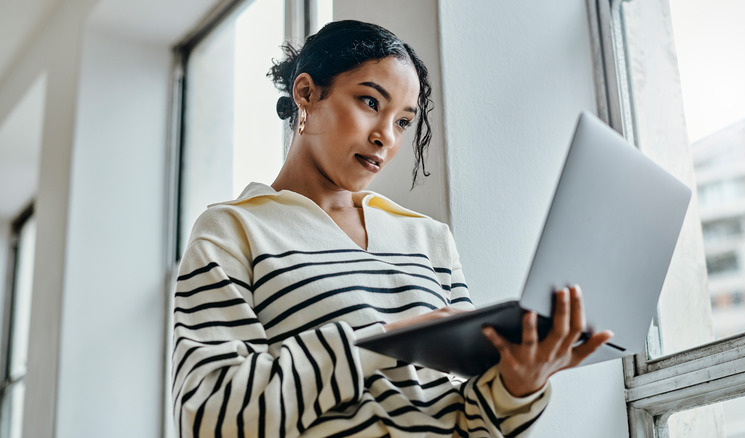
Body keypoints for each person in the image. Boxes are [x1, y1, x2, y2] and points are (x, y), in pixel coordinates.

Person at [171, 20, 613, 438]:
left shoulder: (428, 239)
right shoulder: (232, 231)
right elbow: (208, 412)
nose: (387, 136)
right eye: (370, 102)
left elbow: (470, 421)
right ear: (306, 92)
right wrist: (385, 340)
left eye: (403, 120)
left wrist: (520, 385)